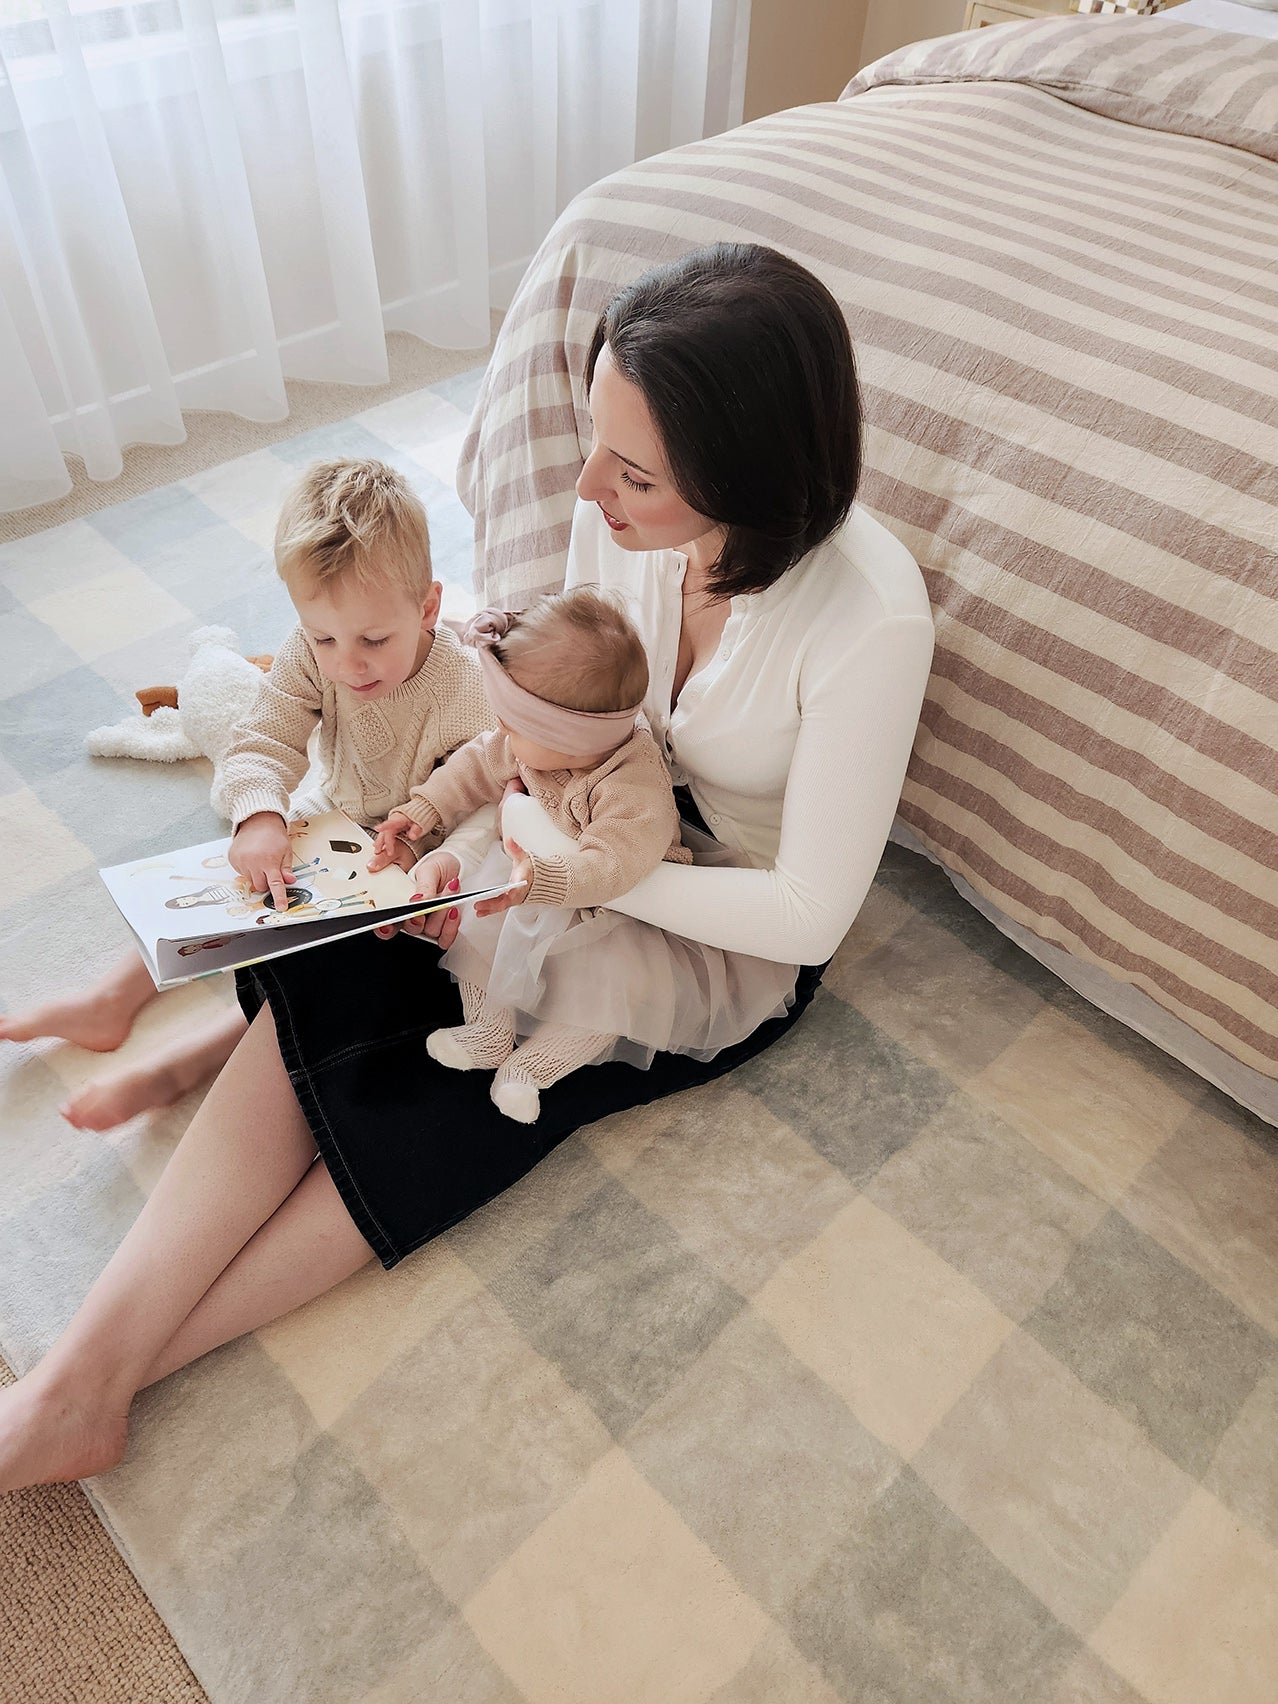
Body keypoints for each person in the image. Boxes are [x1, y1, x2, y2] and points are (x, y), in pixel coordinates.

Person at [0, 242, 934, 1493]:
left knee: (455, 1097)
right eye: (595, 437)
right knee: (366, 952)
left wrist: (564, 874)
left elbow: (812, 916)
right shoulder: (620, 529)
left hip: (713, 936)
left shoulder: (870, 615)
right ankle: (77, 1377)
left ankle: (93, 1387)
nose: (589, 483)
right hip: (565, 829)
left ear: (746, 475)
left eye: (634, 470)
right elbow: (554, 711)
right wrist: (480, 827)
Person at [0, 457, 491, 1131]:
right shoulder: (309, 651)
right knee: (237, 882)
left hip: (414, 857)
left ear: (429, 606)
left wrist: (442, 866)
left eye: (375, 639)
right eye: (325, 637)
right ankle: (111, 1000)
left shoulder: (466, 688)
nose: (348, 662)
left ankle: (180, 1065)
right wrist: (259, 813)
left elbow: (490, 797)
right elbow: (263, 736)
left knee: (310, 976)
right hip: (336, 811)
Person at [387, 588, 798, 1124]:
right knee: (477, 927)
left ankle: (533, 1068)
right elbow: (476, 764)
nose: (501, 734)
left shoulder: (634, 788)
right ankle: (489, 1032)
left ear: (570, 736)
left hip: (623, 909)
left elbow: (616, 864)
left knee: (619, 991)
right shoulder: (532, 744)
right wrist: (423, 811)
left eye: (513, 726)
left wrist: (547, 877)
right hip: (536, 880)